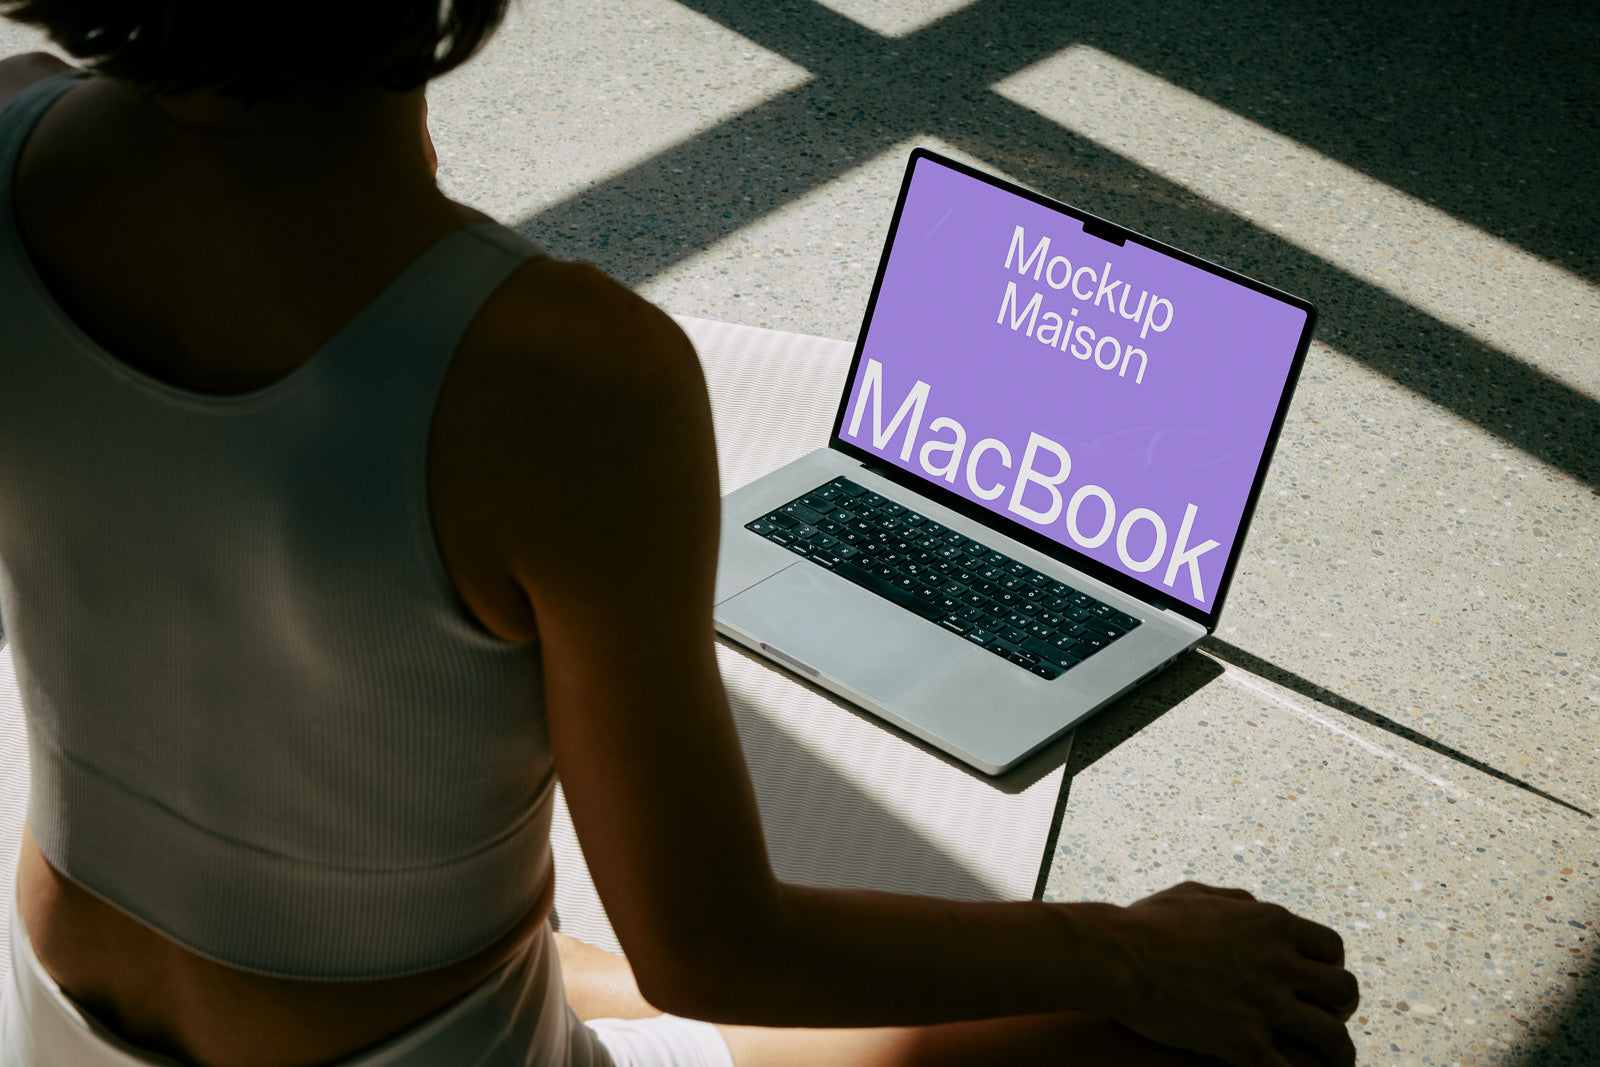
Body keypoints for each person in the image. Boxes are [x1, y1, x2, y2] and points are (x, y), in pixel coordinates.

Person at [0, 3, 1360, 1065]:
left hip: (57, 1007)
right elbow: (711, 951)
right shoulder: (568, 372)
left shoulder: (7, 128)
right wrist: (1126, 952)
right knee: (1260, 1044)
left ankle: (552, 970)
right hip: (425, 1056)